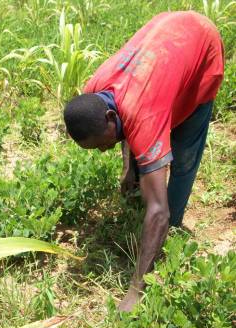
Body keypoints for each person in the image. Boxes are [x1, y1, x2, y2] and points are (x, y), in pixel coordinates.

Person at [63, 11, 224, 312]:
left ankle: (174, 231)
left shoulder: (143, 117)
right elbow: (124, 121)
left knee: (184, 153)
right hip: (167, 35)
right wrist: (128, 167)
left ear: (109, 117)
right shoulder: (94, 91)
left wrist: (136, 289)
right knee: (147, 135)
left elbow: (156, 210)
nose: (102, 151)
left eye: (101, 145)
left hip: (201, 44)